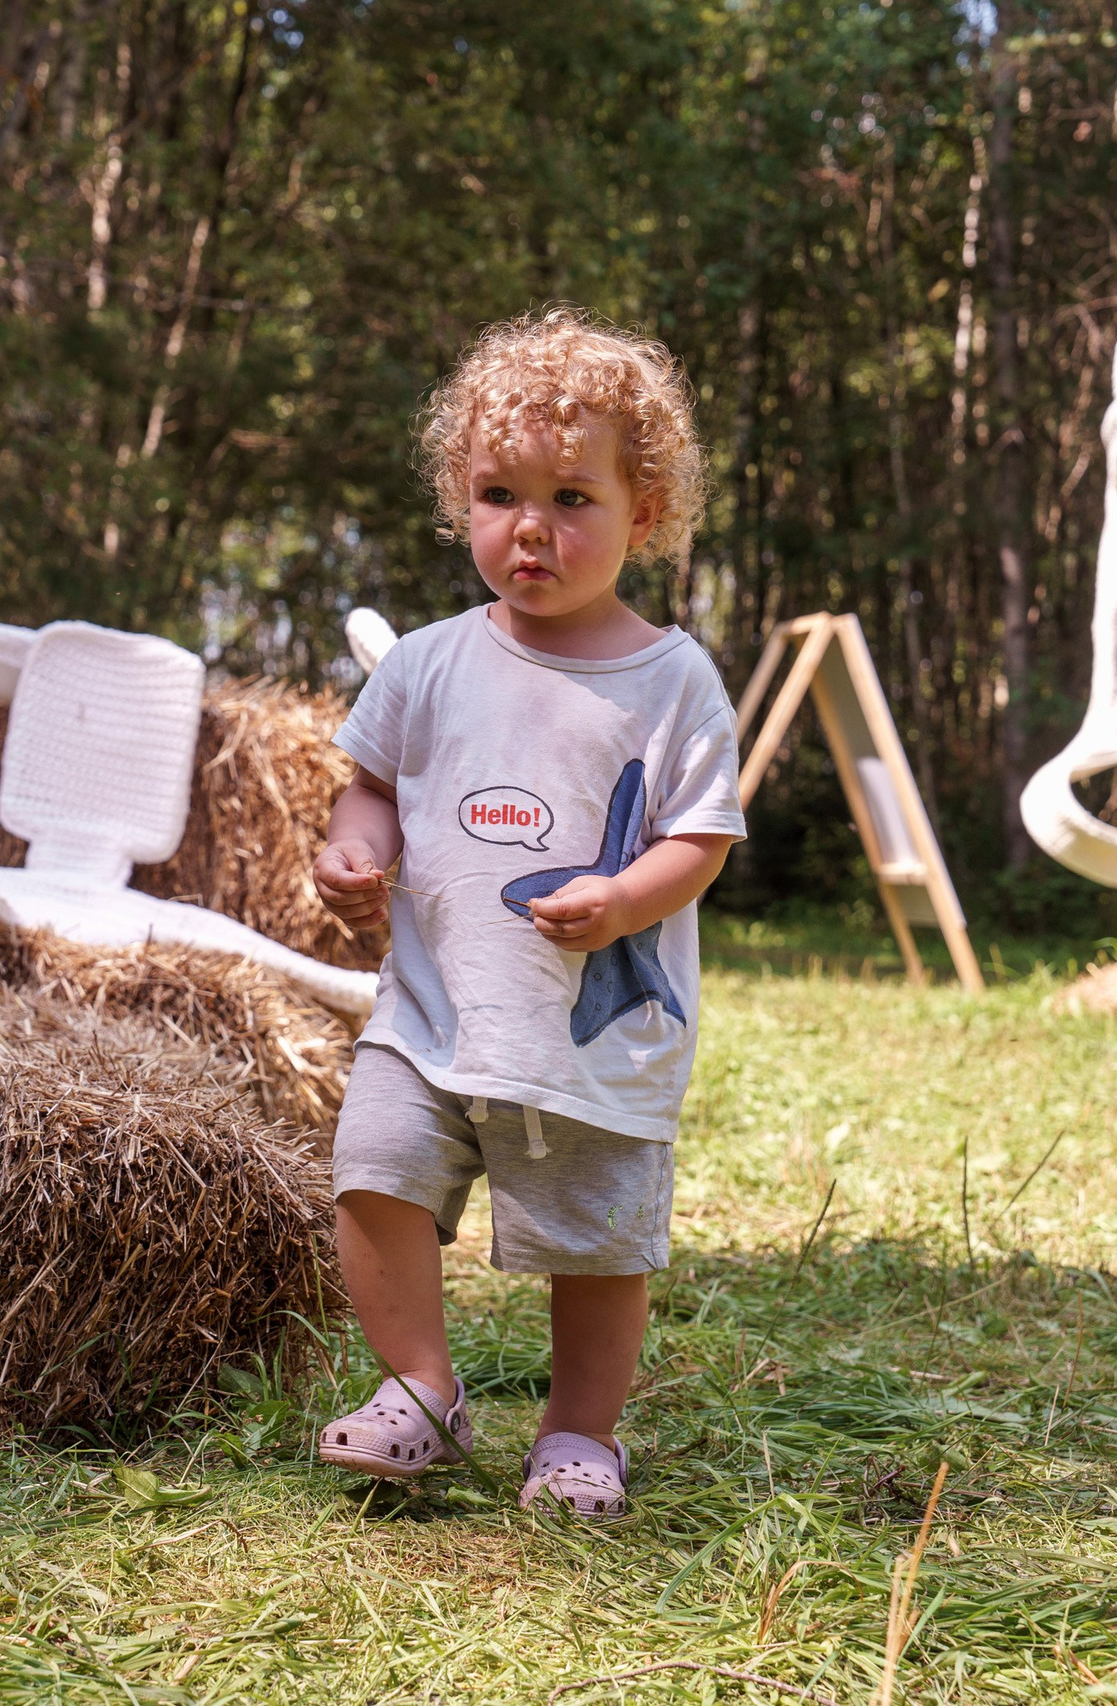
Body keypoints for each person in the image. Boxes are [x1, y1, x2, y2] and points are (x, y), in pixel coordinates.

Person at [310, 307, 744, 1520]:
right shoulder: (428, 664)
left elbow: (701, 838)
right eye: (500, 493)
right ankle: (421, 1387)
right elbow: (375, 788)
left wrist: (623, 897)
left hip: (590, 1033)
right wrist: (354, 849)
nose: (531, 528)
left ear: (642, 515)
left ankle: (577, 1435)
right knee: (374, 1174)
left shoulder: (670, 679)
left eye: (572, 497)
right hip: (432, 1011)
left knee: (597, 1246)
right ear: (462, 499)